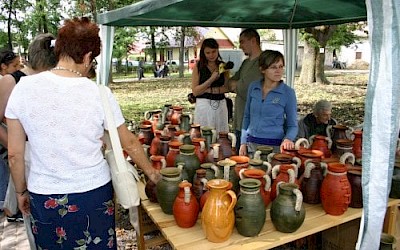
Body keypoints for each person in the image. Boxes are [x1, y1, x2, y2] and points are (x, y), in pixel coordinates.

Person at [5, 17, 160, 249]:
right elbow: (128, 141)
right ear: (88, 56)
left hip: (44, 195)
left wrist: (20, 191)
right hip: (93, 194)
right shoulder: (99, 93)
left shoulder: (23, 88)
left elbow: (15, 154)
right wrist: (152, 174)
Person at [0, 33, 57, 222]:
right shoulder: (12, 80)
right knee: (33, 213)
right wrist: (15, 147)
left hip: (53, 153)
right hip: (26, 152)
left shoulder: (55, 79)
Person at [239, 50, 298, 156]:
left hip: (274, 148)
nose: (278, 71)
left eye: (281, 67)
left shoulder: (287, 93)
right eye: (273, 67)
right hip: (251, 145)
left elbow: (293, 125)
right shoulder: (253, 87)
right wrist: (243, 142)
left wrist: (288, 139)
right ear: (262, 69)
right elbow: (247, 117)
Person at [228, 29, 263, 152]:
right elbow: (230, 83)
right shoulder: (245, 63)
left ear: (253, 41)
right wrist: (235, 84)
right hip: (240, 119)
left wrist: (236, 85)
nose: (240, 46)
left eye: (242, 42)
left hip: (253, 122)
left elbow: (245, 88)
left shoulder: (262, 62)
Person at [191, 38, 230, 134]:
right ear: (203, 53)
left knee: (221, 134)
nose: (211, 55)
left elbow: (227, 87)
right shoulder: (199, 67)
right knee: (204, 134)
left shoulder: (223, 66)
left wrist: (209, 90)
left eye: (214, 52)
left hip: (220, 104)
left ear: (218, 50)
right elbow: (195, 91)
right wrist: (211, 79)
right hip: (203, 105)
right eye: (208, 53)